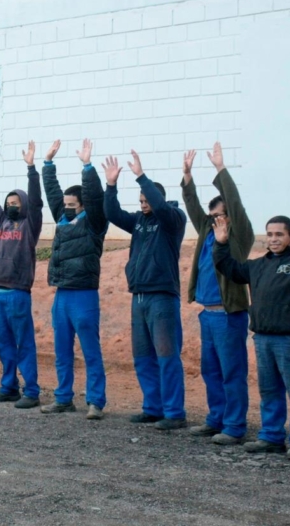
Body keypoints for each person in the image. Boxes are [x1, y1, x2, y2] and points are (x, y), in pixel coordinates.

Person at [214, 207, 290, 461]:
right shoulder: (258, 265)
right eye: (270, 234)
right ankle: (271, 436)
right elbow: (230, 269)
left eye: (279, 234)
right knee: (269, 391)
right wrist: (221, 244)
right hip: (262, 339)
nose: (273, 239)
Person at [103, 150, 189, 431]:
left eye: (147, 200)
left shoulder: (173, 220)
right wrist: (111, 185)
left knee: (166, 356)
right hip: (138, 297)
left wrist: (141, 177)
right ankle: (152, 408)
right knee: (143, 357)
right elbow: (112, 213)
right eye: (140, 201)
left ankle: (174, 413)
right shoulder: (139, 222)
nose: (143, 205)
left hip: (162, 297)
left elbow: (162, 208)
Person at [181, 143, 252, 445]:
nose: (216, 221)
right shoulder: (206, 232)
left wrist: (220, 170)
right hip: (207, 315)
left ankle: (234, 426)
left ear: (231, 218)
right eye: (213, 218)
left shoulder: (240, 237)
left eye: (221, 216)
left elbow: (234, 203)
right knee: (211, 371)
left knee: (231, 372)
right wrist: (187, 177)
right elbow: (193, 207)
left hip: (228, 316)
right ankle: (216, 419)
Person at [40, 139, 109, 419]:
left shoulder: (94, 222)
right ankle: (63, 398)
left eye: (71, 204)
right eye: (65, 204)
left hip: (84, 295)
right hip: (62, 296)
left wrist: (87, 167)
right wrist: (47, 163)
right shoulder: (62, 218)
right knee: (62, 352)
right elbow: (52, 192)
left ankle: (95, 401)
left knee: (90, 351)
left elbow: (94, 196)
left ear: (82, 206)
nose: (66, 207)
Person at [0, 143, 43, 408]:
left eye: (15, 202)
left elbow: (37, 200)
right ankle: (9, 387)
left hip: (18, 293)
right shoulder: (3, 221)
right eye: (9, 203)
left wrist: (31, 168)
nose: (10, 205)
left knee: (23, 343)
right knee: (4, 344)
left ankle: (31, 391)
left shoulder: (31, 224)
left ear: (24, 205)